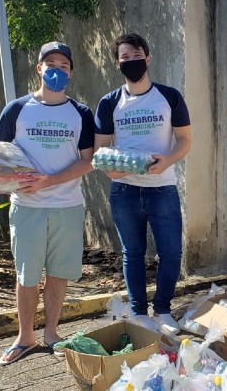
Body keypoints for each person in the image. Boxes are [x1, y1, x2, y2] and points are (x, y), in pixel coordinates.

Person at [0, 41, 96, 365]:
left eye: (63, 66)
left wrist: (48, 181)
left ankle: (51, 334)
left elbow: (88, 161)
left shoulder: (81, 113)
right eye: (50, 64)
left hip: (68, 205)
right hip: (27, 207)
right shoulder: (18, 109)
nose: (56, 70)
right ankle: (25, 337)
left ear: (71, 73)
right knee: (27, 275)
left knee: (59, 274)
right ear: (39, 69)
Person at [94, 33, 191, 335]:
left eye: (136, 55)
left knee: (172, 252)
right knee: (132, 253)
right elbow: (101, 150)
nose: (131, 61)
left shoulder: (169, 96)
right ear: (117, 63)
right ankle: (138, 312)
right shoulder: (110, 102)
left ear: (148, 58)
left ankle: (162, 309)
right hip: (124, 192)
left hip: (162, 188)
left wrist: (168, 160)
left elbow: (185, 140)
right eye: (124, 57)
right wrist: (112, 173)